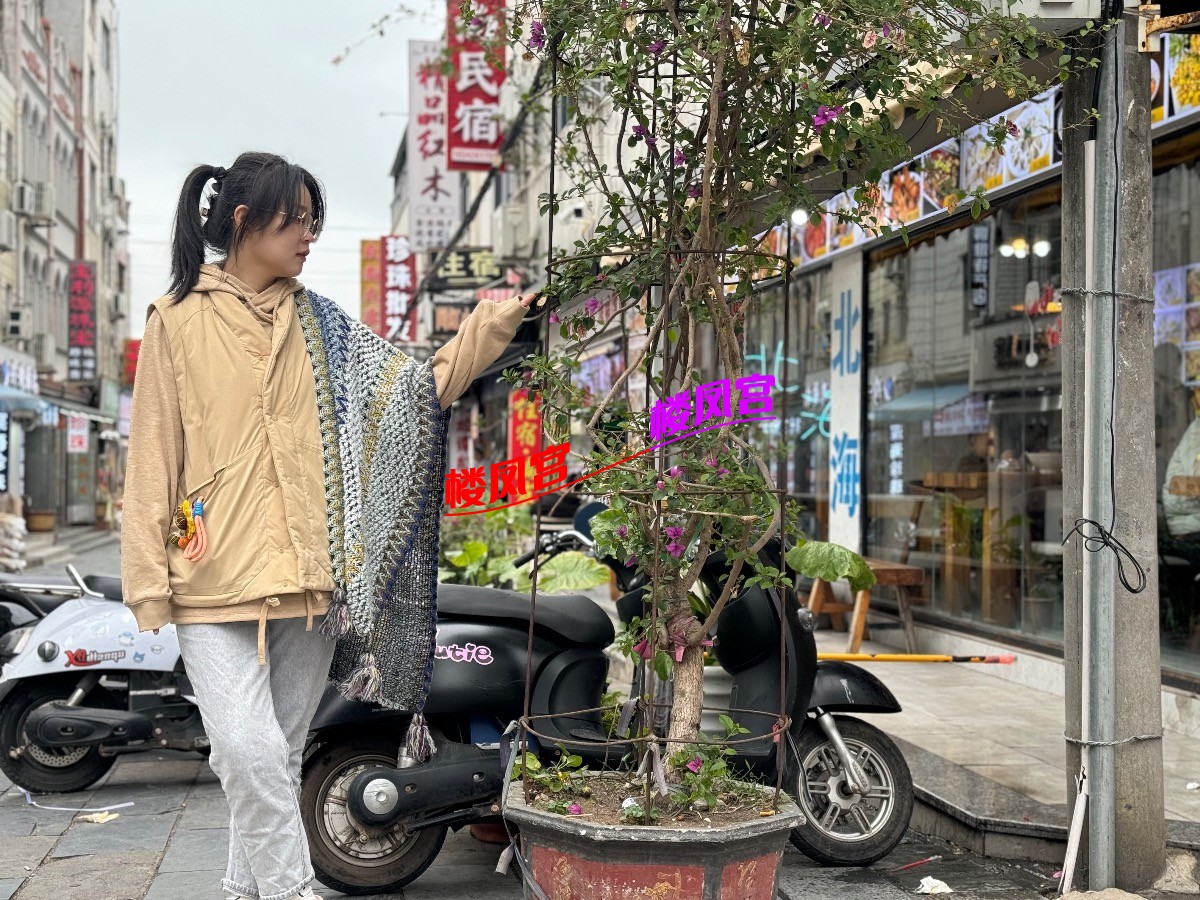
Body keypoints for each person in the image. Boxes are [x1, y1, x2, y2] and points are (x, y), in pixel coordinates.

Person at [121, 152, 535, 900]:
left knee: (278, 759)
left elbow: (411, 394)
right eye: (297, 221)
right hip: (209, 575)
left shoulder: (323, 326)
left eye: (314, 222)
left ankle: (242, 892)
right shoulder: (174, 321)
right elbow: (152, 456)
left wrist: (489, 327)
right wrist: (148, 581)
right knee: (245, 752)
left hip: (311, 578)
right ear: (244, 220)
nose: (309, 236)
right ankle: (292, 892)